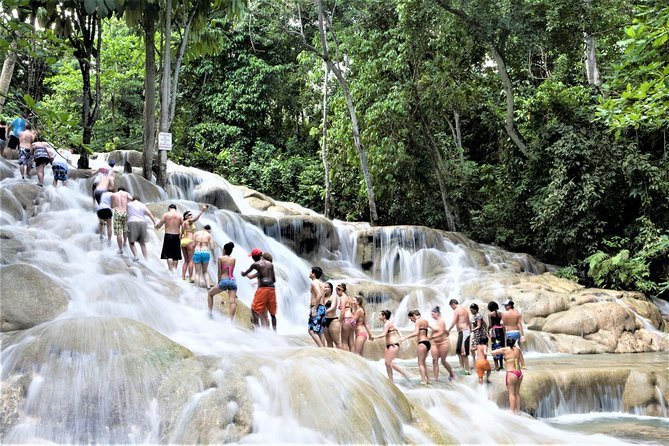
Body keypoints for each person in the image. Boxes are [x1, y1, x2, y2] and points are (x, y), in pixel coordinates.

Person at [241, 248, 277, 331]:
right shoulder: (270, 265)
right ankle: (273, 333)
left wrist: (243, 273)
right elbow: (273, 280)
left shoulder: (256, 265)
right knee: (269, 314)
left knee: (255, 310)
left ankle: (258, 332)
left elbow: (246, 273)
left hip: (262, 291)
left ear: (253, 257)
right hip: (271, 290)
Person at [491, 337, 524, 414]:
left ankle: (512, 412)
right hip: (519, 373)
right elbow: (522, 361)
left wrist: (491, 343)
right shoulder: (518, 349)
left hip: (511, 373)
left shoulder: (505, 350)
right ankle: (518, 412)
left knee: (511, 394)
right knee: (517, 394)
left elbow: (492, 352)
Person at [376, 309, 410, 382]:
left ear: (384, 316)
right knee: (387, 363)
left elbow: (384, 334)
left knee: (390, 363)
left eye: (379, 315)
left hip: (393, 345)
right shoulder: (388, 323)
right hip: (389, 345)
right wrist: (401, 336)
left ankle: (405, 374)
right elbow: (397, 329)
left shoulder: (387, 323)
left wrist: (374, 337)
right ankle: (391, 380)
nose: (378, 316)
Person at [208, 242, 238, 320]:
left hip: (224, 280)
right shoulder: (233, 259)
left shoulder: (221, 258)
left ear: (224, 250)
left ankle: (210, 313)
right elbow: (231, 271)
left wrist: (218, 282)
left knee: (210, 294)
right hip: (232, 281)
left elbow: (219, 272)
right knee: (232, 302)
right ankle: (231, 320)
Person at [402, 309, 432, 385]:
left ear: (414, 315)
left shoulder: (418, 321)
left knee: (420, 363)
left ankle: (423, 380)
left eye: (411, 319)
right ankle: (428, 380)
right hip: (427, 343)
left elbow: (416, 333)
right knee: (424, 363)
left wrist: (405, 337)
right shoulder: (425, 321)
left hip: (422, 343)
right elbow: (434, 329)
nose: (411, 321)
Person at [180, 206, 208, 282]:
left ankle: (183, 276)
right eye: (189, 214)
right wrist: (202, 211)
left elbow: (180, 235)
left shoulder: (183, 224)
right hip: (189, 240)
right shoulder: (189, 221)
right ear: (186, 216)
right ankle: (190, 278)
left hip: (183, 241)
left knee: (186, 260)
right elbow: (195, 219)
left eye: (191, 214)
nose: (190, 215)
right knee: (191, 260)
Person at [127, 196, 157, 261]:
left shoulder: (129, 204)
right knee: (142, 243)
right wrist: (155, 223)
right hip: (142, 223)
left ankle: (136, 256)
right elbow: (149, 214)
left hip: (132, 222)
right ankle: (146, 259)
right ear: (139, 200)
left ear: (133, 200)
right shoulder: (142, 205)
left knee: (131, 242)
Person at [429, 306, 455, 382]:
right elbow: (437, 331)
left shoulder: (441, 321)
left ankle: (452, 374)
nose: (432, 315)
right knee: (434, 360)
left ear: (437, 313)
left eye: (433, 313)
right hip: (435, 344)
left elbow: (440, 332)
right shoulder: (436, 322)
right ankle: (435, 379)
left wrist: (431, 337)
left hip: (443, 343)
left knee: (443, 361)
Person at [155, 204, 183, 272]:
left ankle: (171, 271)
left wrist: (156, 227)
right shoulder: (180, 215)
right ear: (175, 209)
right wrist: (182, 234)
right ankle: (175, 271)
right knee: (176, 255)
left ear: (169, 208)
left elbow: (160, 223)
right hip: (177, 235)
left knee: (169, 254)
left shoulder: (166, 215)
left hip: (168, 235)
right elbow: (184, 226)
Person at [448, 299, 472, 375]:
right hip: (464, 332)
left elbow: (454, 322)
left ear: (453, 304)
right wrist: (470, 330)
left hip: (464, 332)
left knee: (463, 352)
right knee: (458, 351)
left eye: (451, 307)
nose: (452, 308)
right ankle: (462, 368)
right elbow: (469, 322)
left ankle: (467, 370)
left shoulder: (457, 310)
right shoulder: (465, 310)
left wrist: (448, 330)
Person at [502, 299, 526, 369]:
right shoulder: (517, 313)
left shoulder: (504, 314)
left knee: (509, 350)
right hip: (516, 332)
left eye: (506, 305)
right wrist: (522, 335)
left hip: (509, 332)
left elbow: (503, 325)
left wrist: (504, 334)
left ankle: (512, 365)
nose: (505, 307)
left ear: (510, 306)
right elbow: (520, 325)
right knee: (518, 349)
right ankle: (522, 365)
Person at [308, 266, 327, 347]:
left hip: (317, 307)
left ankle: (321, 348)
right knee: (320, 332)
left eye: (311, 272)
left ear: (314, 274)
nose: (309, 273)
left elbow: (318, 295)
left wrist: (314, 309)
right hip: (322, 308)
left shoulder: (314, 282)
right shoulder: (321, 283)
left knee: (311, 330)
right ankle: (324, 349)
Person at [111, 187, 133, 255]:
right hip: (125, 212)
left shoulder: (114, 195)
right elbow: (132, 199)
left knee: (118, 232)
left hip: (117, 212)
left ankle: (120, 249)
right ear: (124, 190)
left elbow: (112, 206)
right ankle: (125, 243)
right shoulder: (126, 194)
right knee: (125, 229)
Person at [323, 282, 342, 349]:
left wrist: (323, 312)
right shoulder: (322, 297)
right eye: (324, 287)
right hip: (324, 320)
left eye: (327, 287)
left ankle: (343, 357)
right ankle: (331, 358)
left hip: (333, 320)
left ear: (331, 289)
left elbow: (333, 307)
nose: (325, 288)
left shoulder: (333, 297)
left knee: (337, 342)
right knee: (328, 341)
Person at [488, 301, 505, 371]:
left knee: (494, 347)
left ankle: (496, 366)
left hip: (494, 331)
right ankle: (501, 365)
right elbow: (502, 323)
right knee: (500, 347)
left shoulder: (490, 314)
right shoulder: (501, 314)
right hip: (500, 331)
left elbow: (491, 325)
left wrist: (487, 330)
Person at [469, 303, 487, 368]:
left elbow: (479, 326)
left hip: (479, 334)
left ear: (475, 309)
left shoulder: (478, 315)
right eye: (470, 310)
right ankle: (477, 362)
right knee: (475, 348)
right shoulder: (476, 315)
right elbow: (484, 324)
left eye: (472, 310)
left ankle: (479, 362)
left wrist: (472, 330)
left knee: (477, 348)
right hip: (477, 333)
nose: (471, 312)